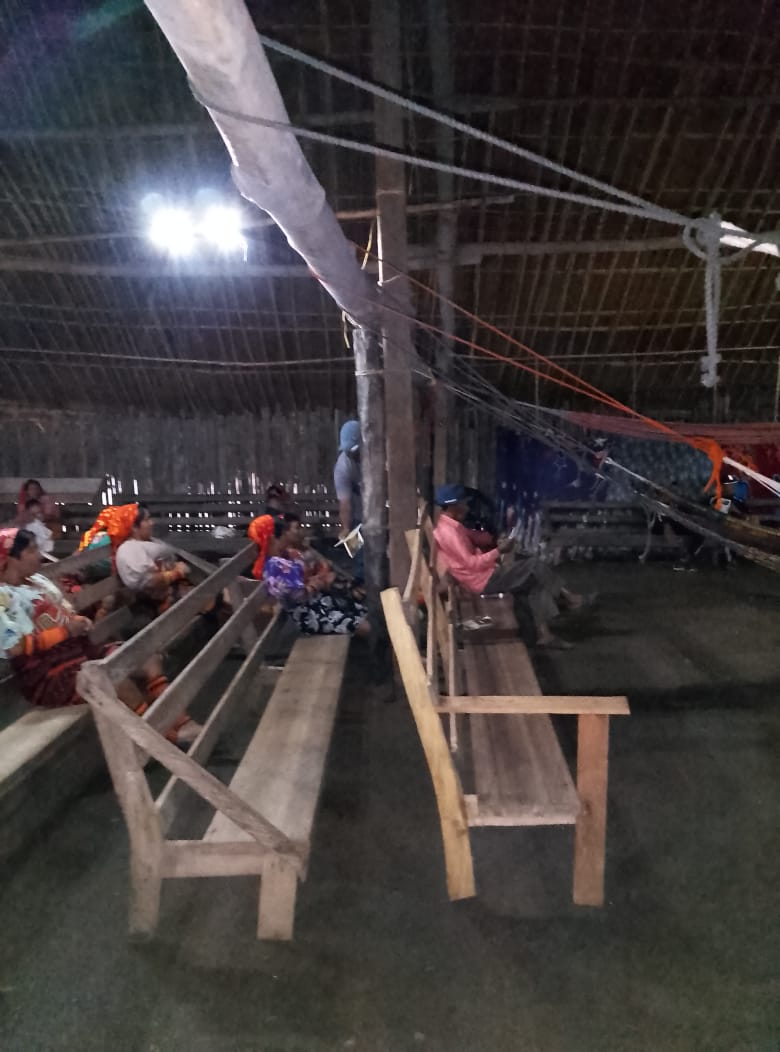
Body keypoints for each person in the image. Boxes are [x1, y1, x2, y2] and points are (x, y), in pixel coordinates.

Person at [0, 528, 199, 742]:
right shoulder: (4, 597)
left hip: (79, 654)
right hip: (49, 675)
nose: (39, 555)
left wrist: (78, 621)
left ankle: (181, 723)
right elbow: (14, 647)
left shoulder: (37, 581)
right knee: (116, 681)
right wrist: (66, 631)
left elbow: (62, 612)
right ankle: (163, 739)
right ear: (10, 558)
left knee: (145, 658)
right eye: (31, 551)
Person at [433, 484, 592, 649]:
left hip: (484, 574)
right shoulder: (449, 533)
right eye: (463, 504)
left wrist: (494, 539)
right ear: (453, 506)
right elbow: (472, 564)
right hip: (483, 580)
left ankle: (544, 635)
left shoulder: (453, 526)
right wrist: (499, 551)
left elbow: (475, 538)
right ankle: (570, 599)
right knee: (533, 564)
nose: (467, 508)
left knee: (533, 584)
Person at [263, 512, 369, 638]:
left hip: (318, 602)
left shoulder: (289, 555)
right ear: (272, 540)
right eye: (281, 536)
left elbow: (313, 573)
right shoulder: (275, 566)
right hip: (309, 614)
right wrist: (317, 583)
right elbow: (299, 595)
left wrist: (315, 581)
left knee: (364, 613)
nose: (284, 540)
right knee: (365, 625)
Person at [115, 504, 191, 615]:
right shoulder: (129, 549)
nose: (152, 523)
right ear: (134, 527)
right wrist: (177, 573)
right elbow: (148, 582)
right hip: (150, 607)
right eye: (147, 520)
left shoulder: (151, 542)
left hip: (171, 595)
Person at [334, 420, 362, 542]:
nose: (351, 453)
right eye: (348, 450)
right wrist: (345, 527)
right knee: (357, 549)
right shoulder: (342, 467)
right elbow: (344, 502)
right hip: (357, 517)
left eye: (354, 449)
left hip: (384, 514)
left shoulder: (379, 456)